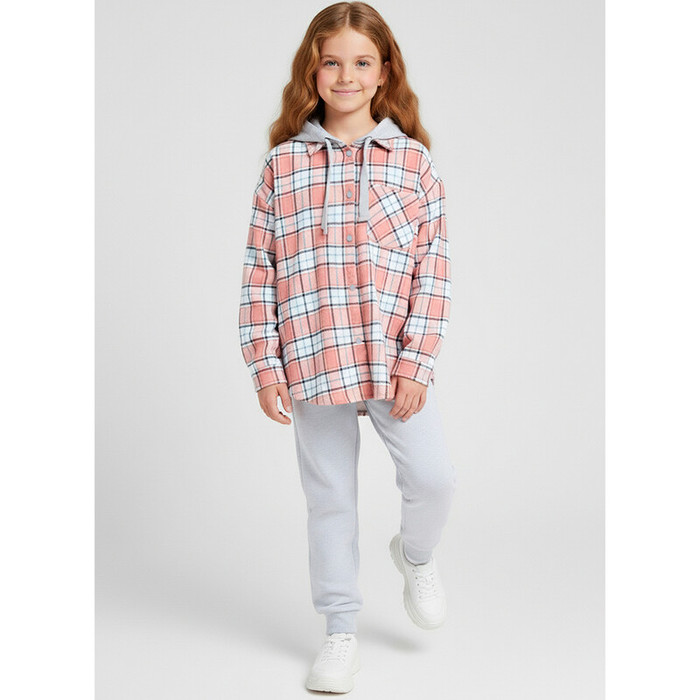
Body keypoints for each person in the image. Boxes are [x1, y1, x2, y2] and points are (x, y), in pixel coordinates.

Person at [238, 1, 456, 693]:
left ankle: (415, 557)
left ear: (384, 71)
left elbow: (433, 271)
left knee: (433, 478)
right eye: (331, 62)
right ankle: (339, 632)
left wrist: (418, 361)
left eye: (362, 62)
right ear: (312, 70)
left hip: (392, 361)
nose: (346, 76)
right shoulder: (282, 167)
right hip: (313, 354)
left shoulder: (413, 164)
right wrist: (264, 366)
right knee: (331, 499)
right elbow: (259, 272)